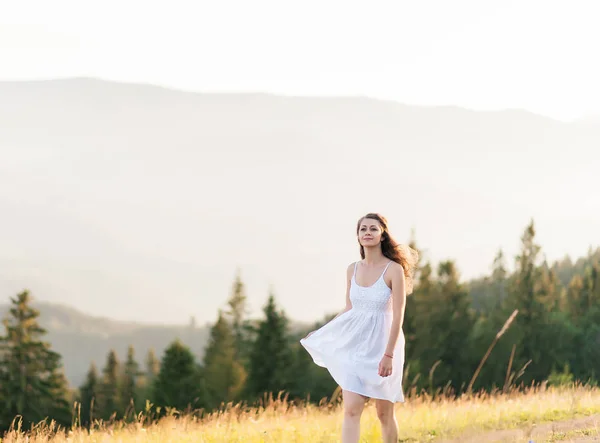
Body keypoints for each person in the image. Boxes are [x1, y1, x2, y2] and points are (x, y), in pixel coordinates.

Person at [300, 213, 418, 443]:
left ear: (382, 234)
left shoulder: (393, 270)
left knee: (384, 413)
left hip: (384, 345)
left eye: (373, 229)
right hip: (356, 346)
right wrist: (323, 331)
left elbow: (398, 315)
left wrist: (388, 355)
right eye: (363, 229)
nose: (367, 232)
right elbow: (349, 309)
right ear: (358, 236)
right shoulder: (352, 269)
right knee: (351, 409)